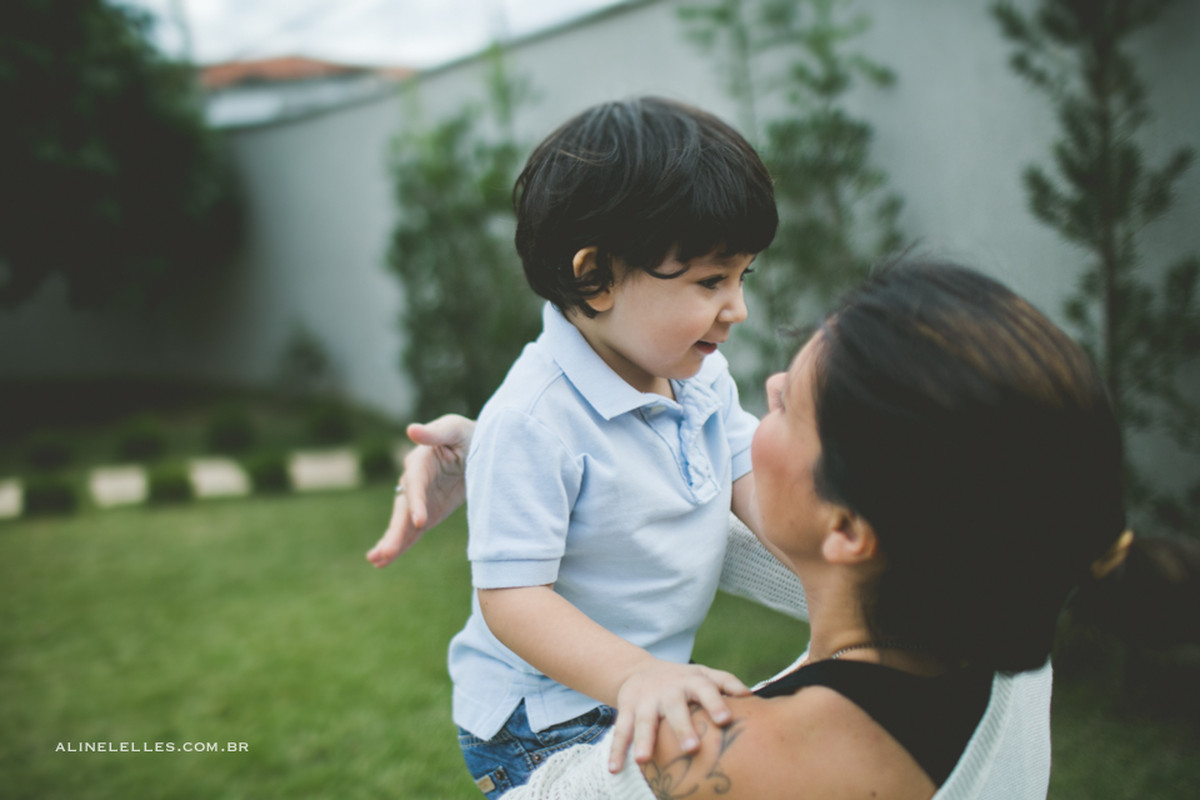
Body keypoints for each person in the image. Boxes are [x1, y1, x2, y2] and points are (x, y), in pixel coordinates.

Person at [374, 260, 1133, 799]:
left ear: (846, 527)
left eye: (788, 406)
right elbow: (677, 525)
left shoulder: (713, 757)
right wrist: (510, 460)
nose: (762, 385)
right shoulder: (1004, 624)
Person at [369, 96, 779, 797]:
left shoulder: (701, 374)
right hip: (543, 719)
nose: (737, 307)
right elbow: (513, 600)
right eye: (712, 280)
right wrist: (636, 675)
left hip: (634, 685)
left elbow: (756, 488)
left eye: (744, 276)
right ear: (596, 277)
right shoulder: (534, 419)